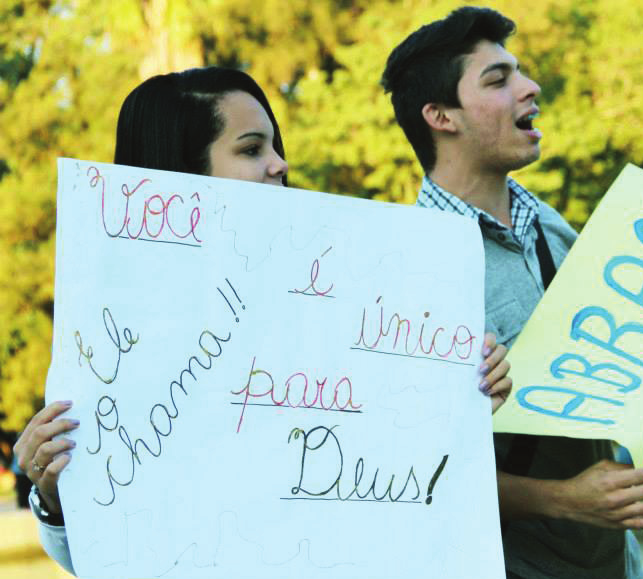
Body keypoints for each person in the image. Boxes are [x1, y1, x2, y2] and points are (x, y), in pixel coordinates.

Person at [14, 66, 512, 575]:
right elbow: (108, 552)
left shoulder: (344, 292)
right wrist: (55, 496)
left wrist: (460, 401)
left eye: (274, 146)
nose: (280, 163)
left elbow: (377, 477)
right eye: (252, 149)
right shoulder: (113, 342)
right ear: (184, 172)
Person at [381, 7, 643, 578]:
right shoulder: (407, 271)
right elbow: (410, 470)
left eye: (519, 72)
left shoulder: (554, 230)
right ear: (440, 116)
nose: (530, 88)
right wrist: (563, 499)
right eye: (497, 80)